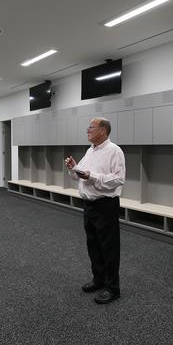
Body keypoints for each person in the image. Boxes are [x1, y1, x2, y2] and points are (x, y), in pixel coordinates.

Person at [65, 117, 125, 304]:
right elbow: (80, 176)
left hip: (106, 205)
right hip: (89, 205)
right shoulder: (90, 151)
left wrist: (92, 176)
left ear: (103, 131)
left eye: (91, 127)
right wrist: (74, 168)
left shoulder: (114, 151)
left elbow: (118, 179)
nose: (87, 130)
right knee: (94, 246)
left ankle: (112, 288)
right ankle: (98, 280)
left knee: (109, 248)